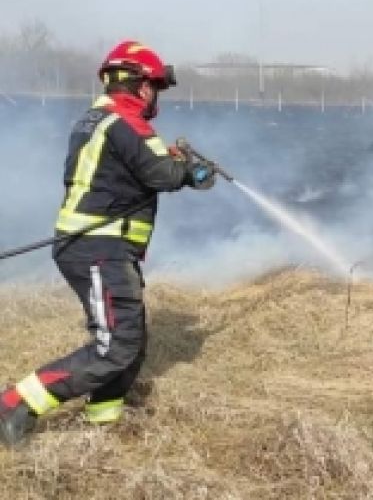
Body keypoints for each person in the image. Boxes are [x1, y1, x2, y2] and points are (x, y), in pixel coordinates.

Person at [0, 41, 215, 448]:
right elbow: (162, 175)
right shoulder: (126, 121)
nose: (156, 96)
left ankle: (104, 422)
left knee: (130, 343)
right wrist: (192, 171)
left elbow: (133, 169)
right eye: (154, 86)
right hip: (97, 247)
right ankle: (14, 403)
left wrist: (174, 164)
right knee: (116, 346)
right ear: (137, 85)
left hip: (100, 246)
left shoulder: (98, 119)